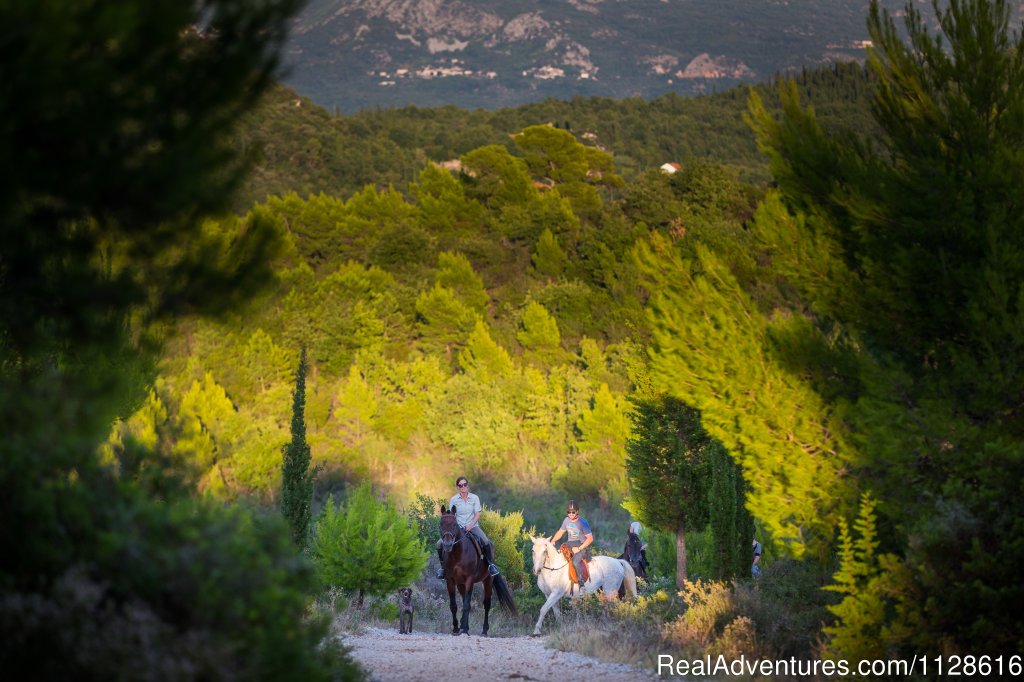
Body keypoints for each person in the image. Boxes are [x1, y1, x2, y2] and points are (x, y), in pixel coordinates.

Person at [436, 476, 500, 578]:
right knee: (439, 544)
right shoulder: (454, 499)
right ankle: (443, 569)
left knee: (486, 541)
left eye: (465, 484)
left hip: (473, 526)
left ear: (467, 485)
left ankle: (490, 565)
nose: (463, 487)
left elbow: (477, 513)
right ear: (458, 487)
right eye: (460, 485)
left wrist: (470, 525)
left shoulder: (474, 498)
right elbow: (451, 515)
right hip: (458, 528)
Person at [549, 499, 593, 583]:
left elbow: (590, 539)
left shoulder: (583, 522)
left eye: (573, 512)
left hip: (581, 546)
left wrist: (579, 549)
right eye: (569, 512)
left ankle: (581, 583)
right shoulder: (566, 520)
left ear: (577, 511)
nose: (571, 514)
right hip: (570, 544)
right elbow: (560, 532)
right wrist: (553, 540)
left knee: (575, 561)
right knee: (559, 557)